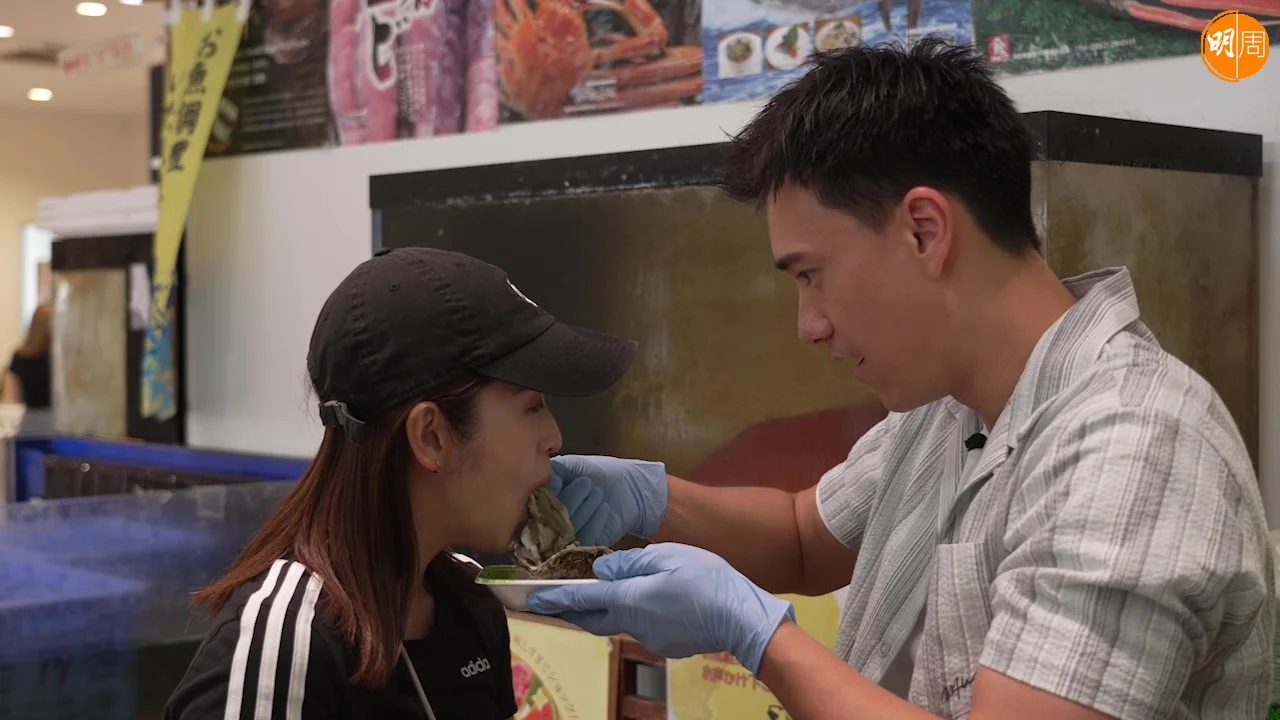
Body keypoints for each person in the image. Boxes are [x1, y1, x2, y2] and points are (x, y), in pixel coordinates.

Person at [526, 39, 1275, 720]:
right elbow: (803, 538)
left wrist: (759, 637)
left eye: (812, 275)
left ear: (925, 230)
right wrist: (650, 498)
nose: (809, 325)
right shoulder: (950, 405)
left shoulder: (1133, 445)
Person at [164, 247, 637, 720]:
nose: (554, 439)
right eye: (532, 406)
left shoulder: (471, 603)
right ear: (431, 437)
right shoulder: (284, 647)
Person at [3, 303, 51, 408]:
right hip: (51, 416)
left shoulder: (19, 358)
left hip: (26, 415)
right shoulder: (56, 362)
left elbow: (11, 399)